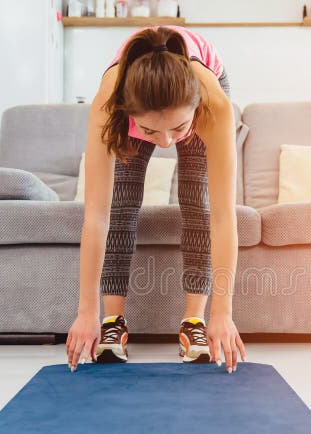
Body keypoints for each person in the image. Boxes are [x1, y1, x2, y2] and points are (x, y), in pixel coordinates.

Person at [65, 25, 246, 374]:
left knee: (198, 202)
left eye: (176, 130)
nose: (165, 143)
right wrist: (86, 312)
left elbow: (223, 219)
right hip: (140, 97)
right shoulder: (109, 102)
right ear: (127, 114)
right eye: (150, 131)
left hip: (201, 88)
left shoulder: (214, 107)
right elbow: (97, 217)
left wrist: (223, 314)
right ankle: (112, 321)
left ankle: (194, 321)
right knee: (122, 204)